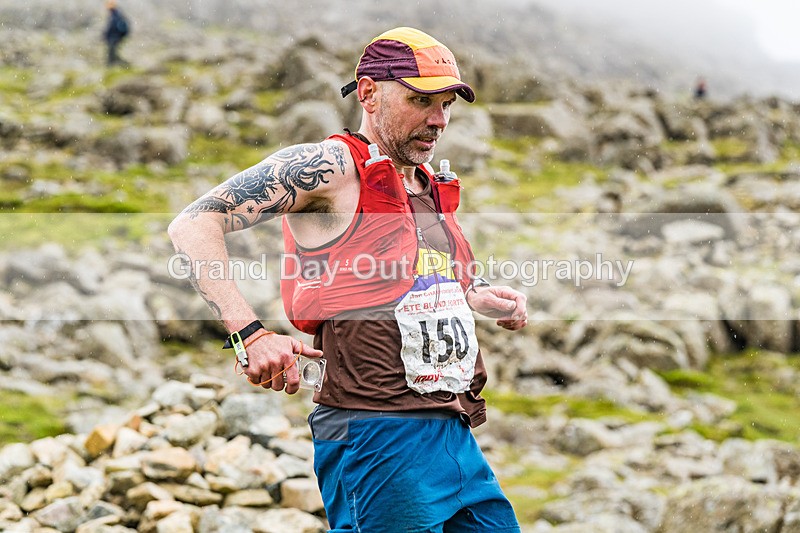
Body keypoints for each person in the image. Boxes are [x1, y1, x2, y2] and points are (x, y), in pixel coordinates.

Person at [169, 26, 528, 532]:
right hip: (375, 436)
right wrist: (249, 334)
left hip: (454, 433)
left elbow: (403, 274)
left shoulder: (420, 180)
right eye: (422, 100)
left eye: (447, 104)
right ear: (369, 93)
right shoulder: (330, 166)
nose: (439, 119)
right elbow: (193, 222)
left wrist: (477, 296)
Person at [103, 0, 130, 67]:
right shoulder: (116, 14)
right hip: (115, 37)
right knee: (113, 53)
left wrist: (108, 35)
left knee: (112, 53)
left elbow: (112, 27)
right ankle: (119, 66)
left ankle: (113, 67)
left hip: (114, 37)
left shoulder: (115, 15)